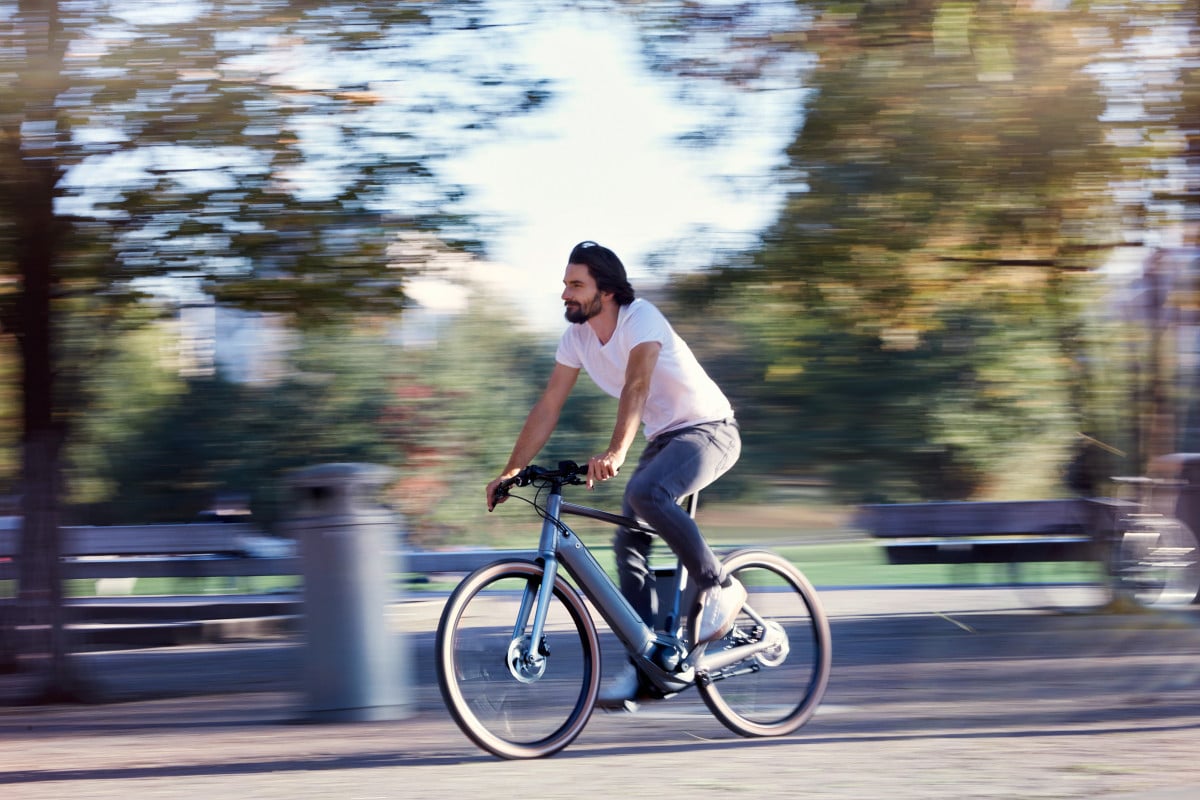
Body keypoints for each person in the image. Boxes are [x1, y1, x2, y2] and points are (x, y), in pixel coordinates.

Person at [485, 240, 745, 706]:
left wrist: (616, 450)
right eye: (565, 284)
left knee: (647, 493)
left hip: (709, 431)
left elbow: (638, 383)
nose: (565, 293)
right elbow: (548, 406)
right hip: (664, 440)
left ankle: (718, 583)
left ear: (605, 290)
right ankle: (647, 666)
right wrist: (513, 468)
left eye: (575, 284)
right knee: (628, 541)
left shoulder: (639, 317)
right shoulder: (577, 339)